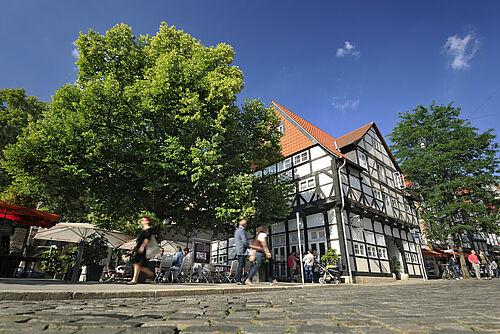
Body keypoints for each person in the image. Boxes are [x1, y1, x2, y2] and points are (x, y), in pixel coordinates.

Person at [129, 216, 155, 284]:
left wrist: (142, 247)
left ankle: (134, 280)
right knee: (138, 265)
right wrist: (134, 249)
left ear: (147, 221)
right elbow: (139, 241)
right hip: (139, 248)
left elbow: (147, 239)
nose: (142, 221)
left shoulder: (148, 229)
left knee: (136, 263)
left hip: (143, 248)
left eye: (143, 220)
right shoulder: (143, 230)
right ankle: (150, 273)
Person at [234, 219, 249, 285]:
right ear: (244, 225)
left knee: (241, 264)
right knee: (241, 265)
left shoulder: (237, 230)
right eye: (246, 224)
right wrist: (248, 246)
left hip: (238, 250)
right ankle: (238, 279)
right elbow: (244, 240)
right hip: (242, 250)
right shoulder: (242, 230)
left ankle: (238, 279)